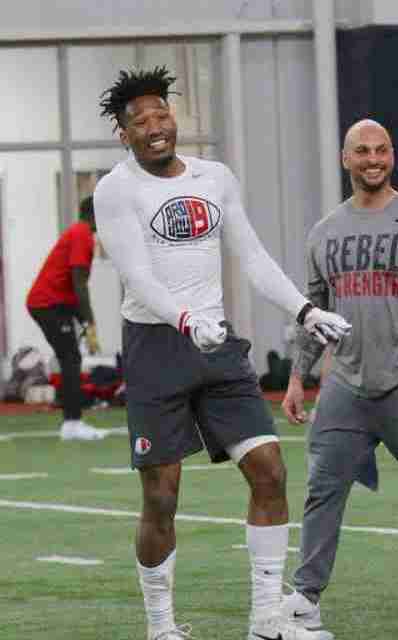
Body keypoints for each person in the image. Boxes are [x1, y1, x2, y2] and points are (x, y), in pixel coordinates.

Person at [93, 67, 348, 640]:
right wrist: (186, 320)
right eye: (140, 121)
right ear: (124, 134)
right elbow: (138, 276)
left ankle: (266, 622)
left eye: (161, 114)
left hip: (218, 347)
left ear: (174, 119)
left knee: (270, 471)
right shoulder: (115, 189)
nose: (155, 127)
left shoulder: (215, 177)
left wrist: (306, 312)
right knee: (162, 497)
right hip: (157, 348)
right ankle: (161, 627)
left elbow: (252, 257)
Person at [281, 119, 398, 630]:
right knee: (322, 488)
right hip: (345, 383)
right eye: (363, 151)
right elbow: (313, 313)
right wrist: (298, 378)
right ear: (345, 159)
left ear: (392, 156)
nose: (373, 159)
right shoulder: (324, 231)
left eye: (382, 150)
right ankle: (305, 597)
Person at [26, 196, 106, 441]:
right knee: (71, 358)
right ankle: (72, 423)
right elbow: (79, 284)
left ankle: (71, 420)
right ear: (96, 214)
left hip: (54, 304)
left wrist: (83, 322)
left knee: (69, 357)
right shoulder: (82, 234)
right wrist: (90, 324)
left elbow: (72, 287)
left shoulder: (79, 233)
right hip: (48, 304)